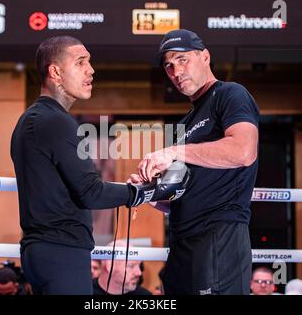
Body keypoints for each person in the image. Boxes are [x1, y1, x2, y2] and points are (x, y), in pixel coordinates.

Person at [11, 36, 189, 295]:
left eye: (90, 62)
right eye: (81, 62)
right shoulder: (55, 121)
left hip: (45, 250)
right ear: (55, 71)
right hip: (60, 252)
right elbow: (91, 192)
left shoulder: (30, 120)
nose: (91, 70)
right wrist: (152, 191)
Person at [132, 29, 259, 295]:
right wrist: (149, 195)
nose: (176, 71)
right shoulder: (183, 125)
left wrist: (175, 152)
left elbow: (244, 151)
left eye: (182, 60)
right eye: (168, 65)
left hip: (219, 235)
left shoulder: (230, 94)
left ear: (205, 57)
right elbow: (178, 198)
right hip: (181, 244)